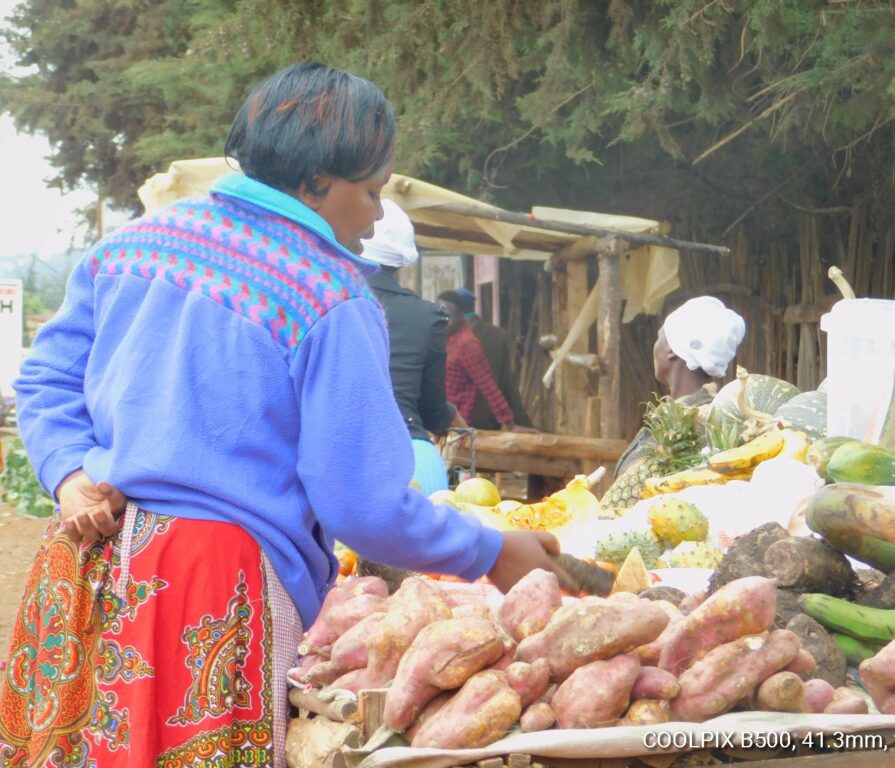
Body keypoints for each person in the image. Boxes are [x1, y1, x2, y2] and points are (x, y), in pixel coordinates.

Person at [0, 62, 566, 768]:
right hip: (211, 591)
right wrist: (490, 549)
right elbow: (362, 505)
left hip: (89, 561)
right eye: (371, 191)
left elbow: (47, 379)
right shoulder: (327, 297)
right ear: (317, 183)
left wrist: (70, 472)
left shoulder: (134, 246)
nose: (377, 216)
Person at [361, 199, 459, 495]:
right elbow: (433, 412)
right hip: (411, 457)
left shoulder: (322, 302)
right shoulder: (426, 316)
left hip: (336, 458)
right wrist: (452, 416)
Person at [613, 295, 746, 480]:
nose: (655, 346)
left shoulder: (698, 425)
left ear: (671, 351)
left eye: (660, 337)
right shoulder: (683, 416)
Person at [438, 290, 530, 432]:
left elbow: (488, 386)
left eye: (448, 318)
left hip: (460, 424)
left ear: (460, 316)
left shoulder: (466, 344)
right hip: (443, 419)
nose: (443, 322)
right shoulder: (445, 338)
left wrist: (510, 423)